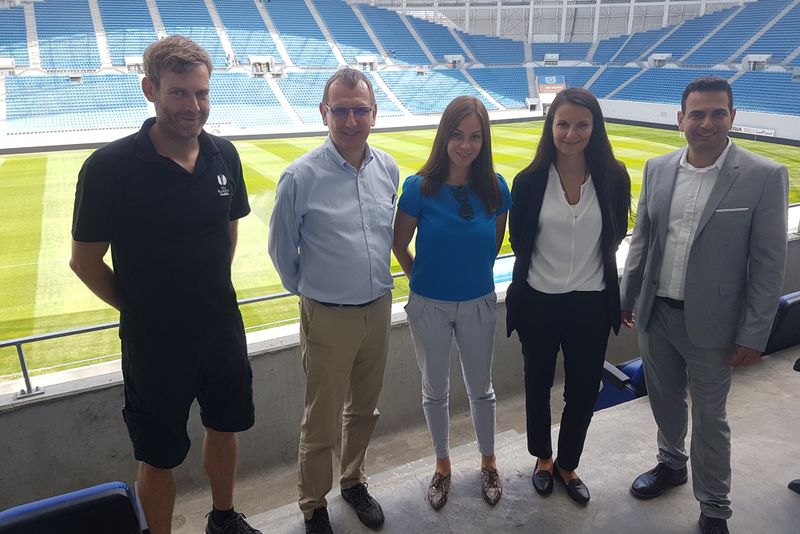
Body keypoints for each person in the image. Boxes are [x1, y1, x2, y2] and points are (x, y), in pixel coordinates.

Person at [70, 36, 260, 534]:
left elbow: (227, 231)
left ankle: (223, 518)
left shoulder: (224, 155)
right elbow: (84, 262)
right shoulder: (108, 168)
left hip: (221, 327)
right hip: (154, 343)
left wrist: (206, 291)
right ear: (149, 89)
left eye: (201, 93)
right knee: (157, 455)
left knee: (225, 427)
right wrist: (140, 308)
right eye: (178, 92)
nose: (192, 106)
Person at [620, 76, 788, 534]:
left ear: (732, 117)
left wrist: (755, 333)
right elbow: (643, 240)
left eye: (718, 113)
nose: (707, 123)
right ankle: (671, 463)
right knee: (664, 401)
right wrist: (627, 297)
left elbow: (768, 264)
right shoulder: (657, 168)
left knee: (711, 420)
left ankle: (715, 507)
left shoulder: (763, 175)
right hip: (657, 314)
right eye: (697, 114)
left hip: (716, 325)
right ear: (681, 120)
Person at [268, 68, 399, 534]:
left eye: (359, 110)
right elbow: (282, 252)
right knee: (321, 420)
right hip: (327, 315)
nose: (350, 120)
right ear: (324, 112)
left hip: (378, 309)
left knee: (364, 409)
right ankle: (313, 504)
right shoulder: (300, 176)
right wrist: (316, 294)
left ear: (374, 114)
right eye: (340, 110)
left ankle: (353, 481)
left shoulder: (388, 168)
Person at [505, 87, 631, 505]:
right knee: (537, 383)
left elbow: (616, 234)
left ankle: (568, 463)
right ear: (551, 126)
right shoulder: (528, 181)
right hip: (538, 301)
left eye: (582, 124)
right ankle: (543, 458)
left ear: (595, 128)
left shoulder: (613, 177)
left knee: (583, 390)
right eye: (563, 124)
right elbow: (520, 240)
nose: (571, 133)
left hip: (591, 303)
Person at [393, 96, 511, 511]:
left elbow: (494, 242)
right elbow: (399, 244)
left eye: (475, 137)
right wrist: (423, 282)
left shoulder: (495, 187)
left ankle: (488, 462)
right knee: (435, 390)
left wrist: (467, 277)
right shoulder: (419, 188)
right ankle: (442, 465)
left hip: (478, 301)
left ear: (484, 140)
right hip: (429, 305)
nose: (465, 145)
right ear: (444, 136)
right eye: (457, 135)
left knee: (482, 389)